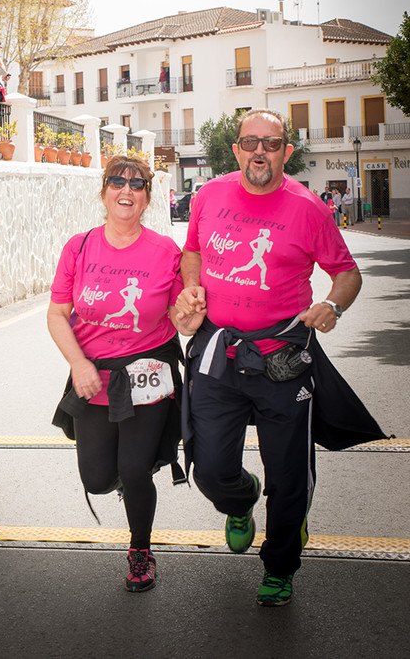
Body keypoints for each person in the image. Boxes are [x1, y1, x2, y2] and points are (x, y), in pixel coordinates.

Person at [176, 108, 384, 608]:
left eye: (271, 144)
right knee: (209, 468)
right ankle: (240, 499)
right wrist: (190, 289)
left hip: (283, 358)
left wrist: (333, 304)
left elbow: (347, 272)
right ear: (236, 149)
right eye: (250, 143)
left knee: (289, 475)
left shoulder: (309, 208)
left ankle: (280, 564)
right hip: (218, 353)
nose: (259, 153)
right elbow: (193, 253)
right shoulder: (209, 195)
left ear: (286, 152)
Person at [48, 155, 199, 593]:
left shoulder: (165, 252)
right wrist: (78, 364)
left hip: (147, 372)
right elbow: (58, 314)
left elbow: (180, 319)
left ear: (148, 198)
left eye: (137, 185)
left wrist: (190, 317)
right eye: (117, 182)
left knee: (133, 470)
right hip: (94, 376)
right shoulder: (79, 247)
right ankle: (128, 477)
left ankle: (140, 550)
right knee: (97, 478)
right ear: (104, 192)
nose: (126, 190)